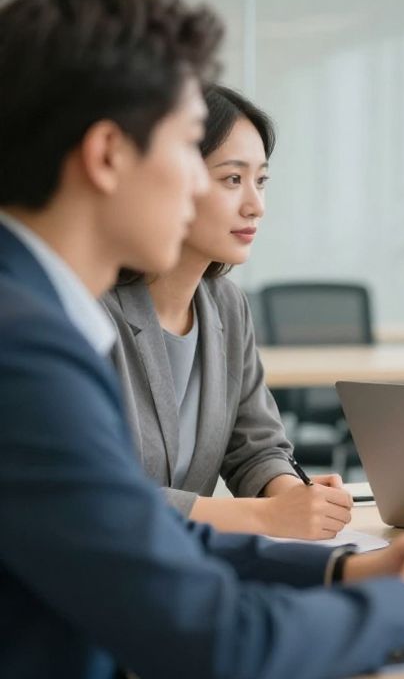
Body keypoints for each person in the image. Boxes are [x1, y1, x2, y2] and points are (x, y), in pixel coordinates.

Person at [0, 0, 404, 678]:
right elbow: (213, 642)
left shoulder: (35, 313)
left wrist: (343, 572)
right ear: (108, 154)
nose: (200, 186)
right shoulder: (22, 349)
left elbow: (136, 535)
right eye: (186, 148)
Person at [102, 84, 352, 540]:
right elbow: (97, 494)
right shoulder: (90, 309)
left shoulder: (226, 305)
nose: (256, 206)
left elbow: (256, 445)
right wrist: (266, 517)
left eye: (261, 181)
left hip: (183, 563)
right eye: (232, 179)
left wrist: (292, 495)